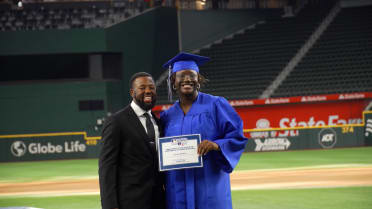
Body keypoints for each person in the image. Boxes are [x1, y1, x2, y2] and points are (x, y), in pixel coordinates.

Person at [160, 52, 248, 209]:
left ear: (198, 81)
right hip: (177, 188)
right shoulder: (167, 116)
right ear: (174, 82)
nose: (187, 79)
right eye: (181, 76)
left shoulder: (216, 105)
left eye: (192, 75)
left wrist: (216, 145)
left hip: (209, 184)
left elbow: (237, 136)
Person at [99, 72, 165, 209]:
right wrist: (110, 205)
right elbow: (107, 168)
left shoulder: (158, 122)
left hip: (158, 201)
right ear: (132, 92)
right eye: (142, 88)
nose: (148, 91)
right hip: (129, 202)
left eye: (151, 87)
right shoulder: (116, 122)